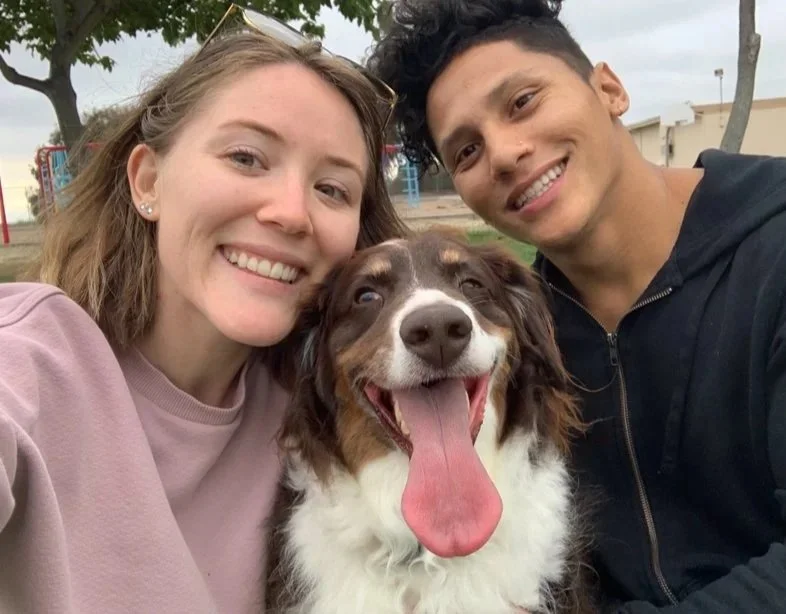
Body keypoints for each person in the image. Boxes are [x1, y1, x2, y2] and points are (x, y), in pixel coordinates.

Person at [368, 0, 786, 612]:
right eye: (466, 152)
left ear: (609, 90)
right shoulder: (516, 341)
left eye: (522, 102)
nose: (505, 153)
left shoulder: (771, 247)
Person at [0, 7, 406, 612]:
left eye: (332, 189)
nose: (292, 212)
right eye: (246, 158)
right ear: (148, 182)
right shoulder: (32, 365)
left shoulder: (326, 407)